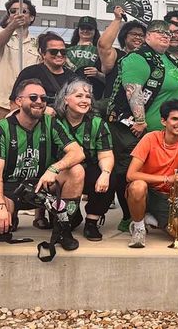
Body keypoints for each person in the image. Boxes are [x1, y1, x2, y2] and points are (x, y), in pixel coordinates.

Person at [0, 80, 85, 250]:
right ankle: (8, 217)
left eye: (43, 98)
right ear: (19, 101)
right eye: (33, 97)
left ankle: (62, 229)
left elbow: (78, 152)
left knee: (76, 171)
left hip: (41, 185)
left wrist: (54, 168)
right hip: (9, 189)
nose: (39, 101)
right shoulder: (1, 129)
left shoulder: (50, 123)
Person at [106, 20, 178, 233]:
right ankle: (130, 217)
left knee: (157, 176)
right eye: (158, 32)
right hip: (133, 129)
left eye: (168, 33)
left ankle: (151, 213)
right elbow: (133, 91)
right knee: (128, 173)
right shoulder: (138, 57)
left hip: (165, 133)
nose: (165, 35)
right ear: (147, 36)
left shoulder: (170, 60)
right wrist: (140, 121)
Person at [125, 99, 178, 248]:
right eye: (175, 119)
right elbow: (131, 175)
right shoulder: (150, 138)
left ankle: (151, 219)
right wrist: (167, 179)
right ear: (164, 121)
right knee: (138, 186)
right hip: (147, 191)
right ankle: (139, 228)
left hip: (168, 197)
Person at [53, 79, 115, 241]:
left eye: (87, 97)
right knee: (68, 221)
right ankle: (72, 216)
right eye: (79, 95)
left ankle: (92, 222)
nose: (84, 100)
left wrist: (106, 173)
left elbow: (106, 155)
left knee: (109, 175)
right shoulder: (54, 121)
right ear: (66, 99)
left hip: (89, 169)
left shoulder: (97, 123)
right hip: (59, 174)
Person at [0, 0, 41, 146]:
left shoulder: (38, 43)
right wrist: (12, 26)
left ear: (32, 17)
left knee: (21, 145)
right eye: (13, 11)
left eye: (23, 11)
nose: (17, 14)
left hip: (25, 104)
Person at [11, 32, 78, 109]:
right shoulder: (29, 73)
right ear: (43, 54)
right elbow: (14, 104)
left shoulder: (74, 78)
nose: (59, 55)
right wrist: (42, 110)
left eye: (63, 52)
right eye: (53, 51)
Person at [97, 6, 146, 79]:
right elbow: (103, 45)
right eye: (134, 34)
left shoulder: (147, 57)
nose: (138, 37)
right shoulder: (116, 55)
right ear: (124, 36)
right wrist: (117, 19)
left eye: (141, 35)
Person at [66, 16, 106, 99]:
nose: (85, 31)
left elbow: (110, 80)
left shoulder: (102, 52)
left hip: (94, 95)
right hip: (70, 92)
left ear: (95, 31)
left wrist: (98, 74)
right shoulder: (66, 50)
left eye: (89, 28)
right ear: (78, 30)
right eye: (82, 28)